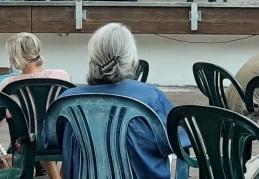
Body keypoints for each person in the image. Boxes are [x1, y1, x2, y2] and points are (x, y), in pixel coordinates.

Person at [44, 22, 182, 179]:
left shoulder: (66, 101)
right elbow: (180, 142)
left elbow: (48, 146)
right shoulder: (151, 96)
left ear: (93, 57)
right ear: (131, 58)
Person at [0, 32, 71, 179]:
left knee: (36, 132)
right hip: (61, 138)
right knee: (63, 131)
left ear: (14, 59)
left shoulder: (9, 83)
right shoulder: (61, 76)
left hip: (26, 141)